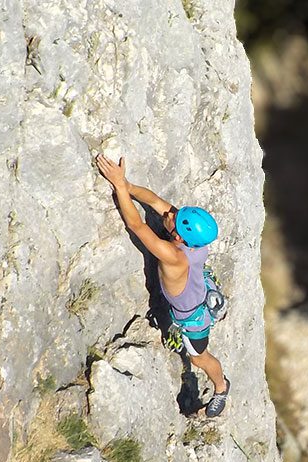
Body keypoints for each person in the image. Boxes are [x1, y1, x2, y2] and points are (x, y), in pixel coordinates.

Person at [95, 153, 230, 417]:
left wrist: (119, 187)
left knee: (199, 357)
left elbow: (136, 224)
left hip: (193, 321)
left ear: (178, 236)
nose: (170, 214)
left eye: (175, 218)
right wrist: (129, 185)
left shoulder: (173, 256)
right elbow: (156, 201)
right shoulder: (194, 242)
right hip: (198, 293)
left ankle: (221, 387)